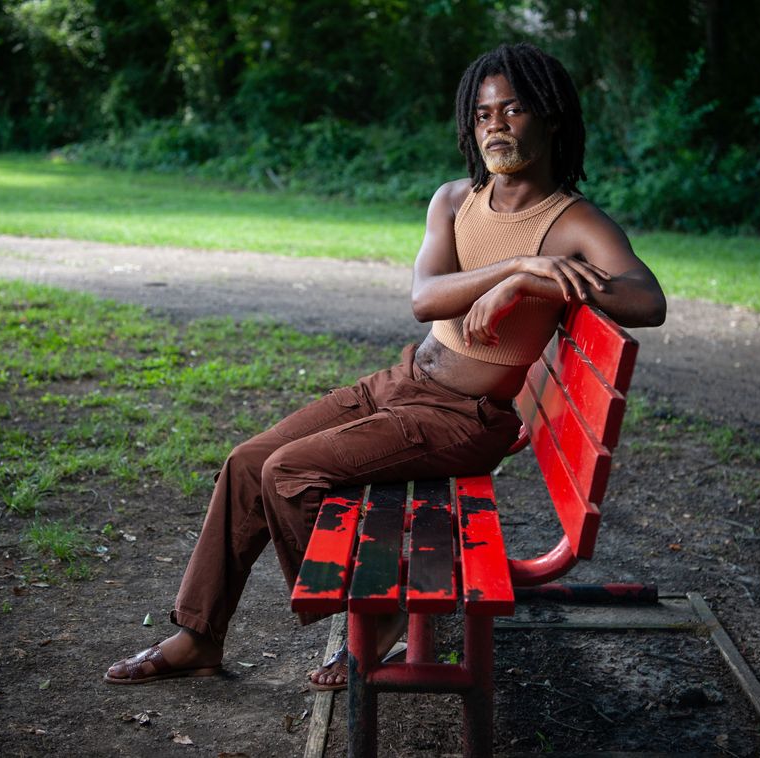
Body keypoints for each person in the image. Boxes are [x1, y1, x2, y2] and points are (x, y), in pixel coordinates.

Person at [104, 42, 666, 689]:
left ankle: (383, 616)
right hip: (402, 383)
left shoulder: (573, 222)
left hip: (463, 418)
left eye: (513, 110)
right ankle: (198, 636)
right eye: (483, 114)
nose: (495, 125)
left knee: (289, 473)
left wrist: (537, 284)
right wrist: (519, 269)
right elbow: (425, 298)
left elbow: (646, 299)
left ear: (551, 118)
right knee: (245, 465)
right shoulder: (455, 200)